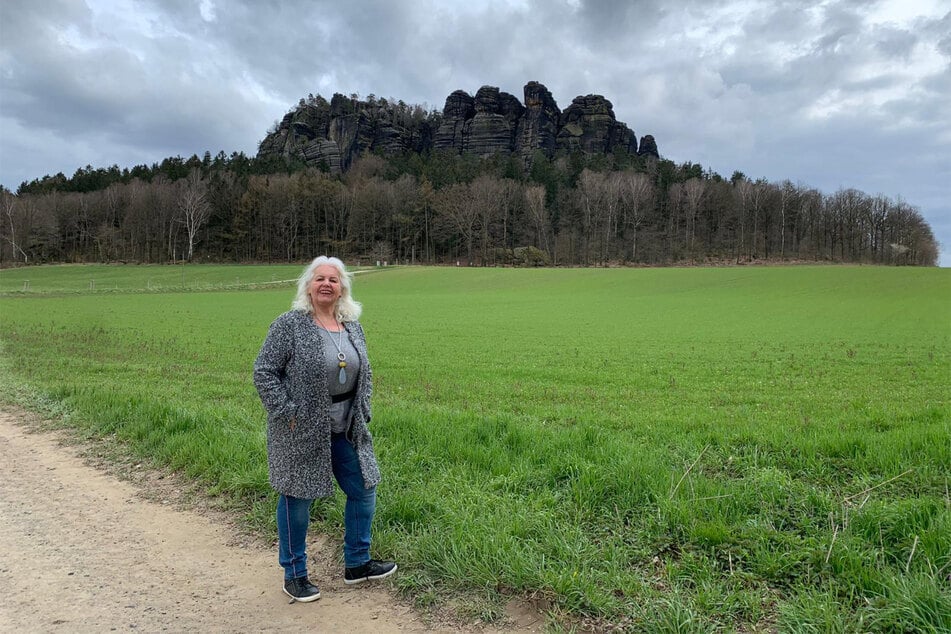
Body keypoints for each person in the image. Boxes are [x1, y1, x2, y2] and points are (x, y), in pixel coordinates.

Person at [253, 256, 396, 602]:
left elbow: (366, 372)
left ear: (342, 288)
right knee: (297, 498)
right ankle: (295, 574)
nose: (326, 284)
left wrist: (363, 408)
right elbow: (264, 372)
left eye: (333, 279)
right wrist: (286, 411)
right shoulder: (289, 325)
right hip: (300, 428)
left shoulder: (352, 326)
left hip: (347, 426)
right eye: (320, 278)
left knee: (364, 487)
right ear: (308, 286)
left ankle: (357, 564)